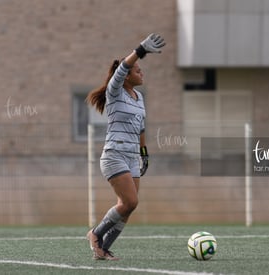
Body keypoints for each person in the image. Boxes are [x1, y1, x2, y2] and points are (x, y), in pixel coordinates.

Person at [85, 33, 166, 260]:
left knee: (129, 207)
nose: (142, 72)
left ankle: (102, 248)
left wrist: (144, 153)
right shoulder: (115, 91)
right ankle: (95, 233)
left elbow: (141, 128)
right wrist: (140, 50)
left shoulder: (138, 97)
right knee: (130, 201)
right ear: (126, 76)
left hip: (132, 155)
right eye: (137, 70)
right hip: (114, 154)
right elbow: (122, 69)